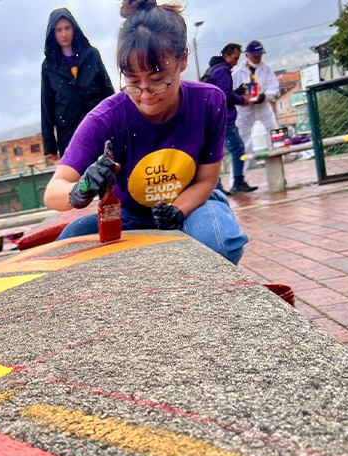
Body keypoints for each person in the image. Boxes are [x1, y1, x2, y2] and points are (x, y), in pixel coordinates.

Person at [43, 0, 248, 266]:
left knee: (218, 244)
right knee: (69, 245)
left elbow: (206, 181)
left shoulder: (209, 102)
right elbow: (53, 192)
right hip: (132, 216)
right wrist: (82, 187)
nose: (146, 94)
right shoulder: (106, 118)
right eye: (132, 82)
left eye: (157, 80)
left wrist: (178, 210)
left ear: (182, 60)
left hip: (193, 204)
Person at [41, 8, 115, 161]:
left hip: (98, 127)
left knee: (107, 173)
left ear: (74, 28)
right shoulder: (49, 66)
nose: (64, 34)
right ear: (53, 34)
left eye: (67, 28)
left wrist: (117, 123)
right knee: (78, 180)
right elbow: (46, 106)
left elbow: (107, 90)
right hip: (68, 132)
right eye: (59, 30)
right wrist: (50, 146)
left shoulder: (91, 55)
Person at [203, 43, 258, 195]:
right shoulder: (223, 70)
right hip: (224, 118)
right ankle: (237, 182)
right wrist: (241, 99)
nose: (235, 62)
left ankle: (217, 187)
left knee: (216, 152)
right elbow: (225, 95)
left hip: (212, 117)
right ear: (226, 56)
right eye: (234, 58)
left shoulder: (213, 69)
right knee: (238, 148)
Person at [232, 40, 280, 175]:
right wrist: (240, 96)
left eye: (259, 55)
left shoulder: (266, 70)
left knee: (274, 135)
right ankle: (237, 179)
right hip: (245, 110)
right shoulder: (237, 73)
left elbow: (274, 89)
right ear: (247, 55)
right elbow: (231, 91)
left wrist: (264, 97)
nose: (257, 58)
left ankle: (276, 172)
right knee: (244, 143)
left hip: (263, 107)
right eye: (254, 55)